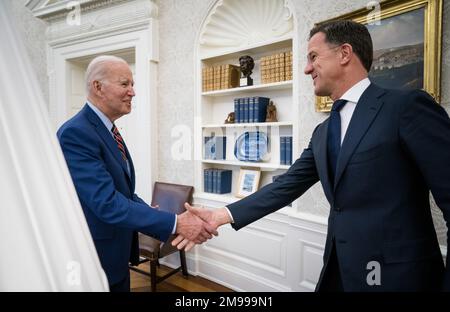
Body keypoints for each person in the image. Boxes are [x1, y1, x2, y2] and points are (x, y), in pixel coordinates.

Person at [174, 20, 450, 291]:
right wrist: (221, 215)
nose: (307, 69)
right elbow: (286, 185)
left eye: (313, 57)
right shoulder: (323, 131)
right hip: (339, 270)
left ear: (344, 54)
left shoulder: (406, 107)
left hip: (399, 276)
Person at [57, 55, 216, 292]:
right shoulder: (76, 133)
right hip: (96, 259)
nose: (133, 92)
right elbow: (107, 203)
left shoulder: (108, 128)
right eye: (125, 84)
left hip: (117, 256)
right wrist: (175, 223)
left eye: (132, 85)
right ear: (98, 87)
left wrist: (149, 213)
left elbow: (124, 192)